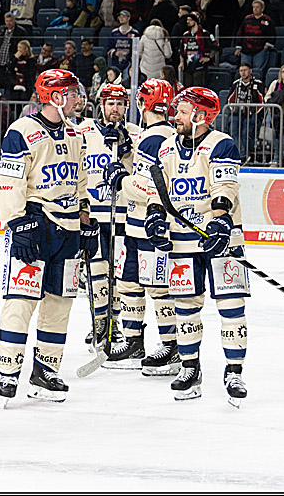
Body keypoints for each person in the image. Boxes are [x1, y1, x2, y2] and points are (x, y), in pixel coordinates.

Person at [142, 87, 250, 405]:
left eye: (182, 110)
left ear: (201, 115)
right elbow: (156, 190)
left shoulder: (222, 144)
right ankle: (190, 368)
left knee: (232, 307)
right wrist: (154, 218)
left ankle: (234, 371)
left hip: (221, 238)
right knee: (186, 308)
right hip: (182, 240)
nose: (175, 115)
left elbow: (224, 185)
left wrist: (220, 221)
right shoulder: (165, 148)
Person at [0, 69, 89, 401]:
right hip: (35, 224)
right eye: (73, 93)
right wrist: (16, 222)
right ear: (56, 97)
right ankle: (9, 372)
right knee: (20, 300)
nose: (78, 99)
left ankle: (45, 371)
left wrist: (85, 219)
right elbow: (8, 181)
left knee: (60, 303)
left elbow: (80, 182)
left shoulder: (76, 135)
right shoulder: (21, 131)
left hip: (68, 229)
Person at [101, 79, 180, 375]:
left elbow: (150, 187)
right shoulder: (163, 135)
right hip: (137, 224)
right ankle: (134, 342)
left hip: (148, 223)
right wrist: (125, 155)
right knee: (130, 283)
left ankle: (172, 348)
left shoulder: (152, 139)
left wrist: (119, 179)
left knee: (158, 288)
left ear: (142, 104)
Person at [76, 83, 141, 354]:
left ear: (126, 106)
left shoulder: (136, 134)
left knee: (120, 274)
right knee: (97, 274)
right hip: (94, 214)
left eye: (119, 103)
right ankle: (100, 322)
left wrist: (128, 150)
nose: (115, 109)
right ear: (100, 105)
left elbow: (143, 170)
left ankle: (119, 324)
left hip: (124, 215)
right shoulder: (84, 131)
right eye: (110, 103)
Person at [226, 63, 265, 164]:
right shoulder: (236, 84)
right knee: (234, 132)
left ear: (250, 71)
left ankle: (244, 155)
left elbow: (262, 102)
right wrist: (234, 108)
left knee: (245, 134)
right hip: (236, 113)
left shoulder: (258, 83)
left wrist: (253, 110)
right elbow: (230, 100)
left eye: (245, 70)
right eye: (241, 71)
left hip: (251, 114)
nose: (243, 73)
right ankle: (242, 155)